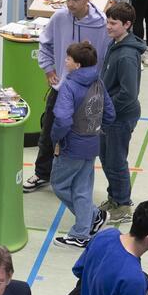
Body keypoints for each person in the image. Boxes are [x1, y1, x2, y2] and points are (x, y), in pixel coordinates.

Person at [24, 0, 110, 194]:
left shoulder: (100, 24)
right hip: (61, 88)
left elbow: (106, 57)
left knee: (80, 137)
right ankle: (42, 173)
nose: (71, 4)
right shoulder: (60, 17)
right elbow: (45, 43)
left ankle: (75, 179)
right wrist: (49, 69)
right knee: (49, 133)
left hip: (86, 93)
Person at [50, 42, 115, 248]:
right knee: (82, 188)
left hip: (72, 146)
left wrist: (56, 138)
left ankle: (84, 227)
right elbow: (110, 113)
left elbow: (62, 119)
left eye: (68, 58)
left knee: (59, 185)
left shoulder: (69, 86)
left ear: (77, 65)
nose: (65, 61)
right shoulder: (98, 82)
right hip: (91, 144)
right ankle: (88, 223)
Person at [99, 4, 144, 226]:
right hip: (109, 115)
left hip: (120, 117)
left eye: (113, 23)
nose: (108, 26)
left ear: (127, 24)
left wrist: (106, 109)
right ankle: (114, 198)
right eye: (108, 21)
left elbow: (129, 93)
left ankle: (124, 205)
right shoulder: (115, 44)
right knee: (106, 158)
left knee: (116, 161)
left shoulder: (126, 55)